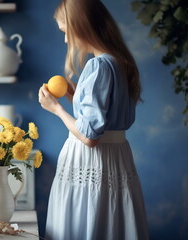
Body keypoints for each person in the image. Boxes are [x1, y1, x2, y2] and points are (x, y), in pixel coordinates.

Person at [38, 0, 149, 239]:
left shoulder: (97, 66)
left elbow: (90, 136)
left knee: (86, 222)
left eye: (66, 32)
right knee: (110, 223)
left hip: (91, 161)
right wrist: (73, 93)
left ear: (81, 27)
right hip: (117, 157)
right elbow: (103, 116)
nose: (66, 40)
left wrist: (55, 108)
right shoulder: (120, 63)